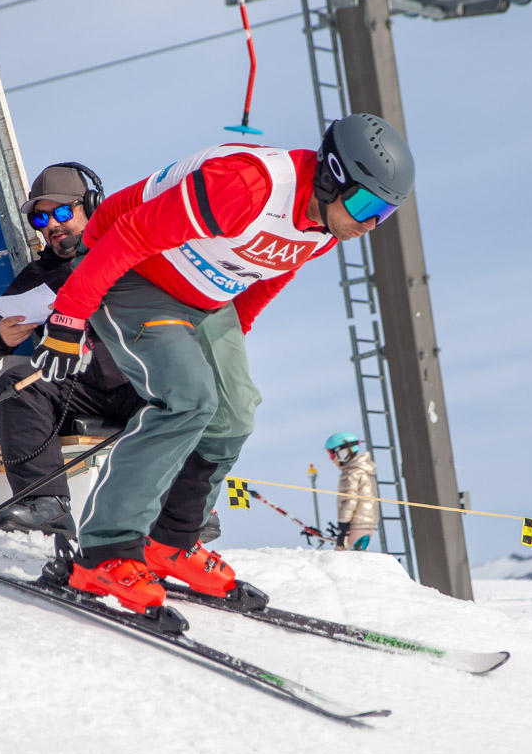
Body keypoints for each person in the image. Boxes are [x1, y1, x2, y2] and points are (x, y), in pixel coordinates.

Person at [29, 113, 415, 612]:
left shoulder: (326, 227)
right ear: (330, 177)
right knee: (189, 399)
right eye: (365, 205)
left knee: (235, 412)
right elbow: (129, 235)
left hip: (205, 294)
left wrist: (230, 348)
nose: (368, 224)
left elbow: (269, 274)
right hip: (133, 271)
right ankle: (106, 551)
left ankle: (171, 541)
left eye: (383, 214)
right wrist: (70, 317)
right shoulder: (247, 187)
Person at [0, 163, 141, 538]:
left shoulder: (126, 250)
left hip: (137, 382)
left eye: (62, 212)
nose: (51, 225)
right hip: (79, 388)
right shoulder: (38, 275)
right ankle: (45, 504)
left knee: (177, 394)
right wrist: (1, 334)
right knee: (18, 381)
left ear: (90, 207)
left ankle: (184, 510)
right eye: (40, 218)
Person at [326, 431, 379, 550]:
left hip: (354, 526)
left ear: (342, 452)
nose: (331, 459)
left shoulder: (351, 472)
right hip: (367, 524)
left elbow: (349, 500)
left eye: (331, 455)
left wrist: (343, 527)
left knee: (342, 557)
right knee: (358, 556)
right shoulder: (364, 470)